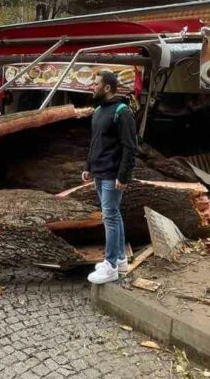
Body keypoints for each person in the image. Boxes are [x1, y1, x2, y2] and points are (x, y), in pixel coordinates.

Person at [81, 71, 138, 284]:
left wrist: (123, 176)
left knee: (110, 218)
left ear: (107, 88)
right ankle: (121, 259)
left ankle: (111, 265)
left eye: (96, 83)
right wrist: (88, 166)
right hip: (98, 173)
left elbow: (130, 147)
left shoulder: (122, 112)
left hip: (113, 175)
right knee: (113, 214)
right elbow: (96, 142)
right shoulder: (98, 112)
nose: (92, 87)